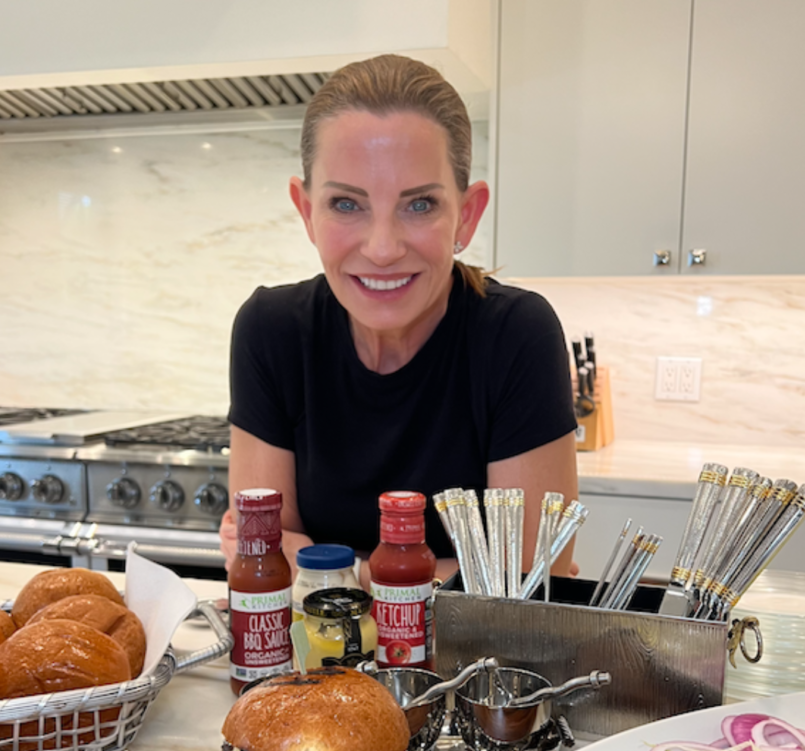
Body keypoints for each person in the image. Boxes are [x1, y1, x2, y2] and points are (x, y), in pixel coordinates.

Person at [221, 53, 579, 586]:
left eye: (419, 205)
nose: (383, 248)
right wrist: (443, 576)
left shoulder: (515, 336)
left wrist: (336, 571)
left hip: (478, 669)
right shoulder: (271, 331)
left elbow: (531, 582)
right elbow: (260, 558)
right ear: (306, 212)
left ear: (468, 214)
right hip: (311, 665)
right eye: (346, 204)